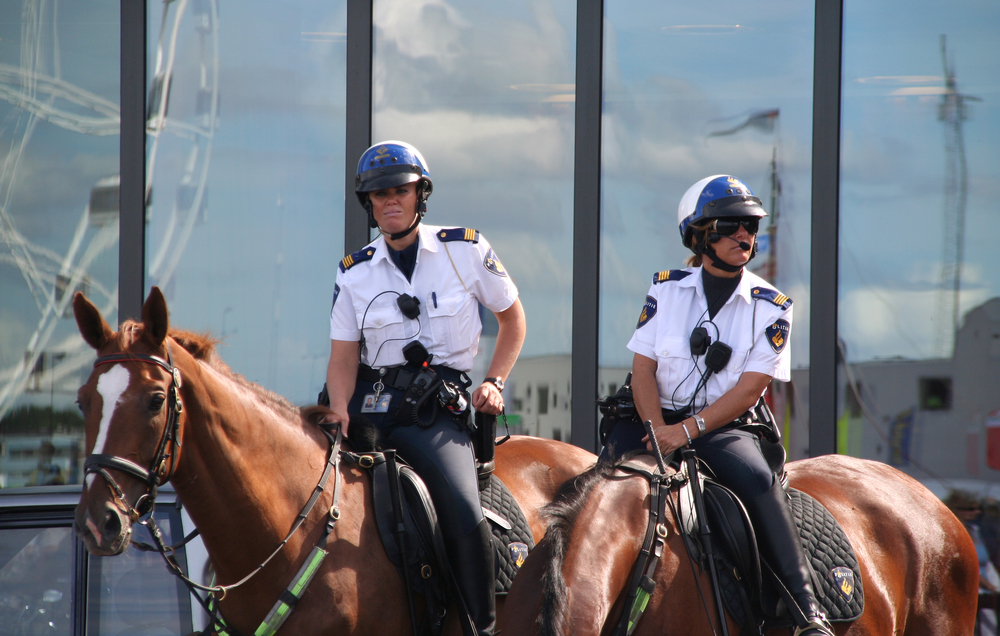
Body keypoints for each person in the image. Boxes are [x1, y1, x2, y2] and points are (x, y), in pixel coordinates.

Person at [604, 175, 833, 636]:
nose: (744, 235)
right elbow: (642, 371)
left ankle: (806, 610)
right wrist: (657, 429)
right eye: (731, 225)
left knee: (758, 480)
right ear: (699, 235)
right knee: (597, 485)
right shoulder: (665, 289)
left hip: (723, 427)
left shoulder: (773, 306)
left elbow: (749, 392)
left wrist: (683, 432)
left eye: (751, 226)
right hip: (653, 421)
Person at [324, 140, 525, 636]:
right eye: (379, 194)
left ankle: (480, 627)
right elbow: (343, 357)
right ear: (368, 203)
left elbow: (512, 320)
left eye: (401, 190)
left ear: (421, 195)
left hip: (434, 408)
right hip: (369, 405)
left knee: (462, 507)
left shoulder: (465, 248)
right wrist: (339, 409)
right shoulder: (353, 271)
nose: (390, 201)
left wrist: (494, 381)